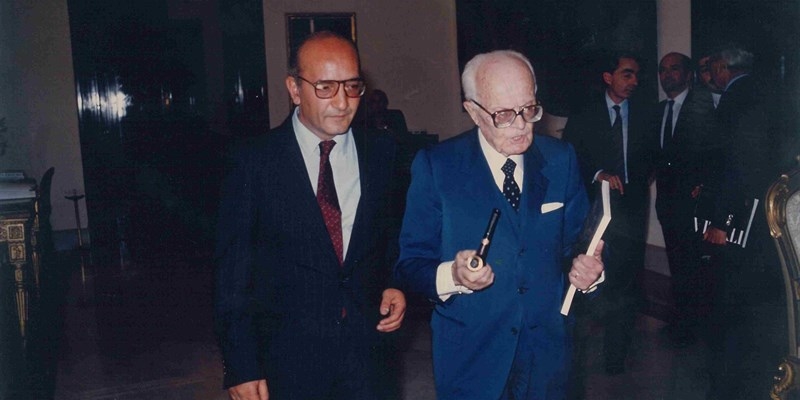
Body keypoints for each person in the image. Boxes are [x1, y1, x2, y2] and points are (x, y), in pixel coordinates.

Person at [395, 49, 604, 400]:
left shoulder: (560, 159)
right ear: (474, 112)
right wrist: (453, 276)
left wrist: (591, 272)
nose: (521, 125)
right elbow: (410, 265)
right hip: (472, 358)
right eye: (504, 114)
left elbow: (580, 244)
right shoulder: (437, 166)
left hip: (548, 357)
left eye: (529, 109)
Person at [213, 31, 406, 400]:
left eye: (352, 86)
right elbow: (232, 276)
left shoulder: (382, 152)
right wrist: (241, 364)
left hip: (369, 355)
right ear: (295, 89)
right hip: (287, 361)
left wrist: (395, 282)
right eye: (325, 87)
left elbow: (390, 237)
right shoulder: (253, 162)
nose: (342, 102)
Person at [562, 52, 655, 375]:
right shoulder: (585, 114)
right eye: (627, 74)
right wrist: (598, 173)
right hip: (594, 208)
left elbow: (653, 156)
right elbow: (570, 155)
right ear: (608, 77)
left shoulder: (644, 113)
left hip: (632, 209)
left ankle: (615, 358)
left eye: (636, 75)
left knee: (627, 284)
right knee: (590, 280)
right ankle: (574, 355)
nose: (634, 81)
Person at [702, 45, 786, 400]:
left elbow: (733, 165)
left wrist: (721, 220)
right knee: (759, 307)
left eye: (713, 69)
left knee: (730, 306)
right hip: (771, 217)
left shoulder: (735, 101)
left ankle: (728, 386)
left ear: (723, 67)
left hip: (742, 219)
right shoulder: (771, 92)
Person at [652, 52, 718, 347]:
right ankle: (681, 325)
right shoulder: (659, 111)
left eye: (674, 69)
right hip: (667, 203)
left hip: (694, 202)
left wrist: (705, 184)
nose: (667, 75)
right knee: (677, 265)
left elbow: (715, 151)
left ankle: (698, 331)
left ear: (688, 74)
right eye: (663, 70)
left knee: (696, 267)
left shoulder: (703, 105)